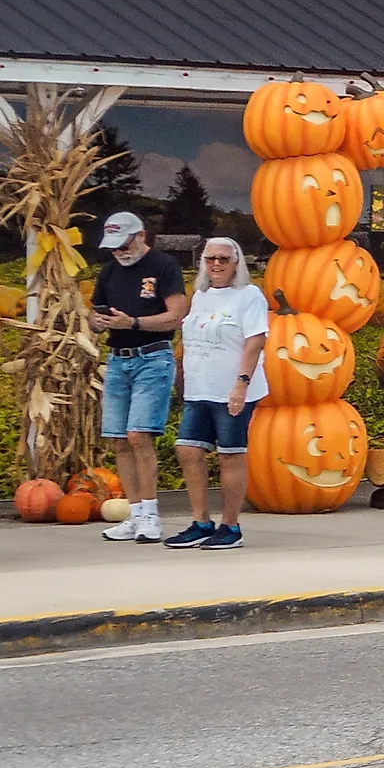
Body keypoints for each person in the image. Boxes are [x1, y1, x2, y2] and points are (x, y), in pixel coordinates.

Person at [88, 212, 187, 544]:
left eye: (124, 244)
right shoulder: (109, 271)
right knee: (119, 438)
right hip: (118, 360)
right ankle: (133, 514)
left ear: (141, 236)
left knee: (138, 435)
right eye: (113, 247)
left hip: (153, 357)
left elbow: (176, 316)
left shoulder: (164, 266)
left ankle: (151, 515)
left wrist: (133, 323)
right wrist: (97, 322)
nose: (119, 251)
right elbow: (95, 312)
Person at [169, 237, 268, 549]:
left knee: (230, 454)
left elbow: (255, 341)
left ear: (236, 263)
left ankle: (230, 526)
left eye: (224, 259)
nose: (217, 264)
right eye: (210, 258)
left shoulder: (249, 296)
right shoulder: (201, 295)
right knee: (187, 450)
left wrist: (241, 384)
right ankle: (201, 521)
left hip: (232, 390)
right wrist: (181, 377)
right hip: (200, 388)